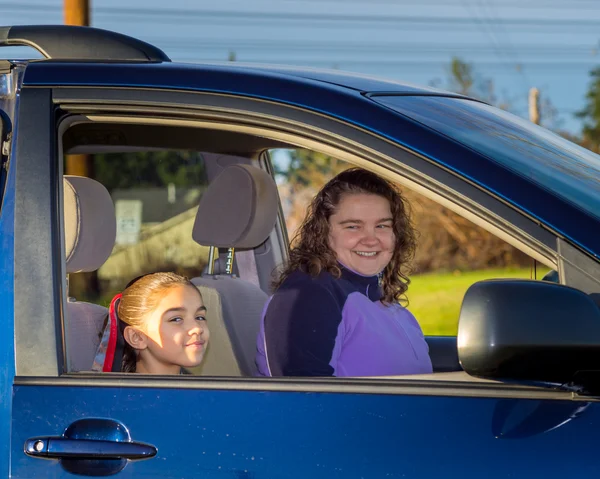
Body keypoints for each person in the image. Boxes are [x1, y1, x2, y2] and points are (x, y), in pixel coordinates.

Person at [256, 167, 432, 377]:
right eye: (353, 227)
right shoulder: (308, 295)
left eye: (382, 226)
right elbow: (304, 400)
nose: (370, 239)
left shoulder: (380, 299)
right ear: (323, 232)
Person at [92, 272, 210, 374]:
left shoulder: (203, 393)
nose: (197, 328)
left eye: (200, 317)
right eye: (176, 319)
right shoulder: (124, 398)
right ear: (137, 337)